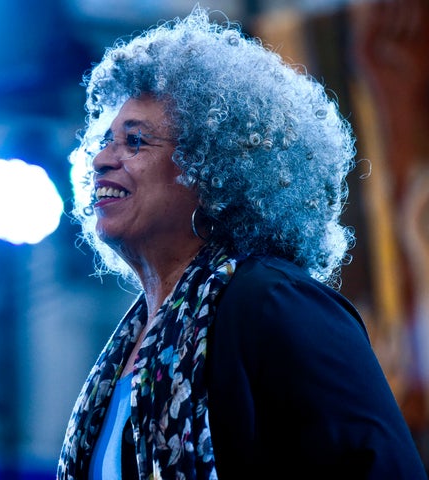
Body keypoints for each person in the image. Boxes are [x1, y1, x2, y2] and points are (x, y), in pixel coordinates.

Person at [57, 7, 427, 480]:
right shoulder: (130, 342)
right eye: (103, 142)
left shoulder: (274, 302)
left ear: (210, 168)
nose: (102, 160)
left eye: (135, 141)